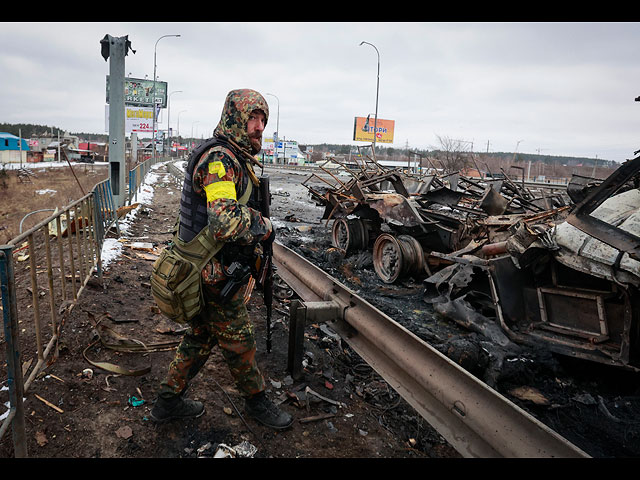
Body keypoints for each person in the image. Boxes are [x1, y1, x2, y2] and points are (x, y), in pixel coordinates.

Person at [150, 89, 293, 430]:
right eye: (252, 119)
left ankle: (166, 402)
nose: (259, 127)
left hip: (208, 267)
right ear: (235, 119)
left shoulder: (233, 156)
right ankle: (258, 403)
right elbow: (225, 220)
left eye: (263, 121)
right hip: (208, 271)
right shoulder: (220, 160)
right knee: (239, 338)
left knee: (201, 335)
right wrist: (265, 225)